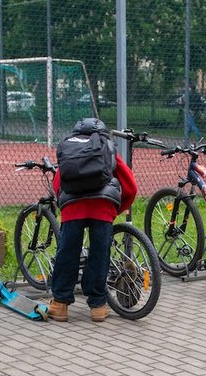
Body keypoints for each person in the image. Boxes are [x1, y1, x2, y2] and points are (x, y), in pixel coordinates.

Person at [47, 118, 138, 323]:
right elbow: (131, 187)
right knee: (100, 254)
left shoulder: (70, 149)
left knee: (67, 253)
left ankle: (60, 304)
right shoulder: (108, 148)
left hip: (73, 207)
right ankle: (98, 306)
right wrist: (115, 210)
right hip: (103, 207)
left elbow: (58, 184)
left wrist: (65, 206)